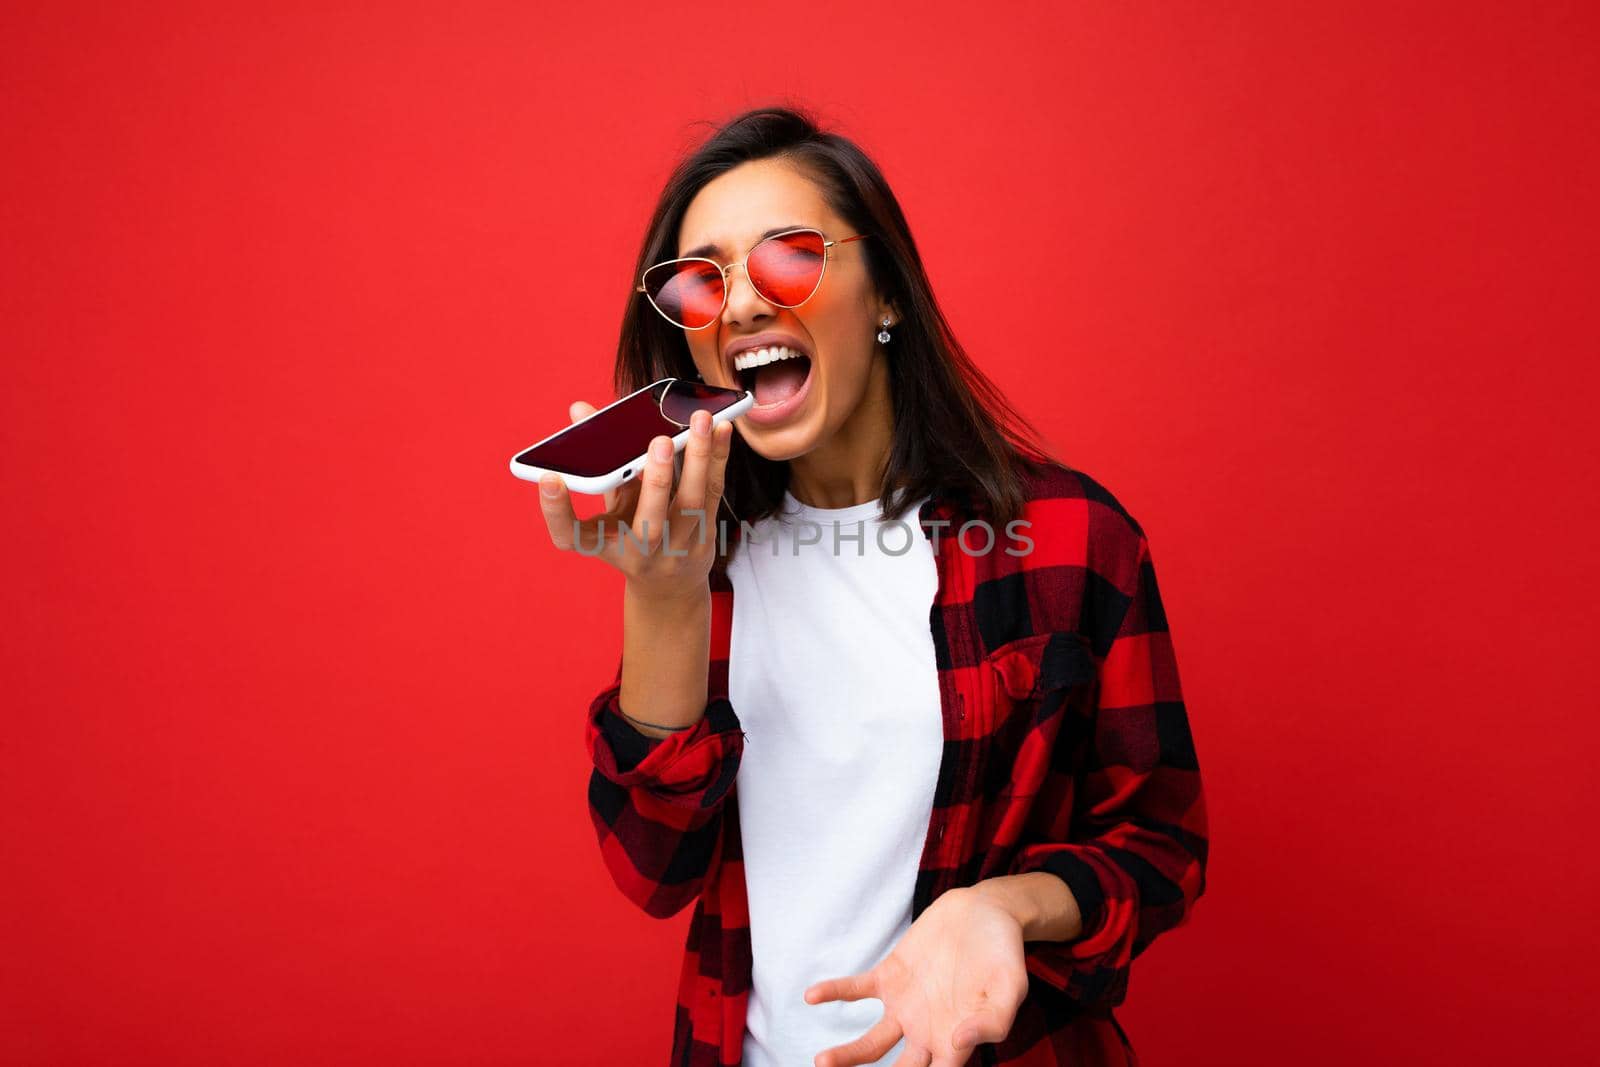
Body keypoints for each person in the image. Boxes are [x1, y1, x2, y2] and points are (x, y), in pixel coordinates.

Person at [536, 105, 1208, 1067]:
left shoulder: (1068, 539)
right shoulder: (700, 558)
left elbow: (1161, 845)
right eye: (702, 282)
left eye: (787, 259)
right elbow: (655, 869)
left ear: (885, 292)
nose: (739, 307)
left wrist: (1003, 907)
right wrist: (666, 598)